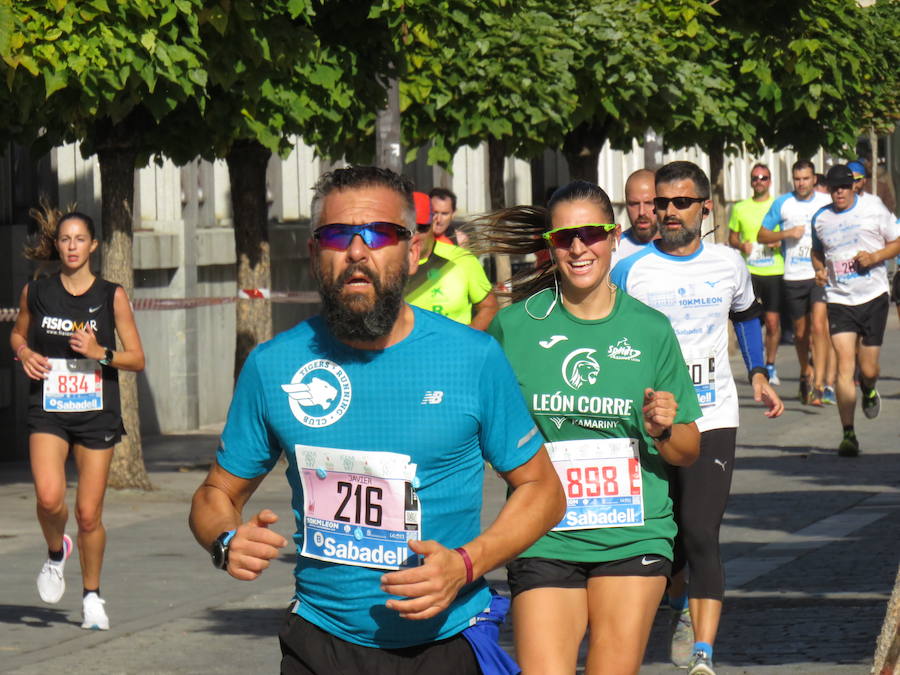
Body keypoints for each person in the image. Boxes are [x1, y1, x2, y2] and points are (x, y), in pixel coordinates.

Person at [188, 166, 565, 675]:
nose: (358, 251)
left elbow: (543, 490)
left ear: (413, 253)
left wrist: (467, 563)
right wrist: (225, 541)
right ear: (314, 252)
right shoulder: (273, 365)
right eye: (338, 235)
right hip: (322, 640)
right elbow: (216, 495)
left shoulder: (472, 358)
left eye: (380, 235)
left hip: (446, 639)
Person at [468, 180, 701, 675]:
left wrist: (662, 428)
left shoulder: (650, 328)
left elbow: (687, 449)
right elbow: (474, 415)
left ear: (614, 236)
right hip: (544, 531)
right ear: (550, 244)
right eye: (564, 237)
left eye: (591, 234)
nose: (578, 247)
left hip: (633, 534)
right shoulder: (515, 326)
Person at [611, 161, 784, 675]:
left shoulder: (728, 264)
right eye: (660, 202)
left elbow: (746, 313)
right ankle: (674, 596)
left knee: (700, 528)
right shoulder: (631, 269)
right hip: (652, 421)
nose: (667, 211)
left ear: (704, 207)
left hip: (712, 413)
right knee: (666, 537)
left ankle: (703, 652)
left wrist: (757, 372)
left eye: (679, 202)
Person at [10, 205, 145, 631]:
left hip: (95, 412)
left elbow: (137, 359)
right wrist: (24, 351)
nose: (71, 246)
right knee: (50, 498)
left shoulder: (111, 295)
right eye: (65, 239)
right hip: (49, 407)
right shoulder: (37, 291)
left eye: (79, 239)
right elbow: (18, 331)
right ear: (58, 245)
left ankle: (91, 596)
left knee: (88, 513)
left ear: (93, 245)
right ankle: (55, 554)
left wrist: (99, 353)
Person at [811, 164, 900, 457]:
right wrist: (819, 269)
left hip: (873, 296)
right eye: (834, 188)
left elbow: (896, 242)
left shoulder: (873, 208)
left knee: (868, 368)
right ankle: (848, 434)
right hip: (839, 299)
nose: (839, 193)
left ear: (853, 187)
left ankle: (870, 388)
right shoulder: (821, 219)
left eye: (844, 187)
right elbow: (817, 252)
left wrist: (875, 256)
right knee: (845, 365)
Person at [757, 160, 832, 405]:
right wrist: (787, 233)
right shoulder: (783, 203)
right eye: (797, 179)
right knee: (801, 334)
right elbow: (762, 234)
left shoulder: (825, 202)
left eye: (806, 179)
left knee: (820, 327)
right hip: (793, 276)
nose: (801, 183)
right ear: (793, 180)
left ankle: (820, 383)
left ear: (813, 179)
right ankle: (805, 370)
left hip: (818, 274)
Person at [405, 191, 499, 329]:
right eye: (408, 230)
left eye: (422, 228)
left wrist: (464, 342)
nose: (415, 236)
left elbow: (490, 308)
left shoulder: (462, 259)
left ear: (432, 224)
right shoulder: (385, 263)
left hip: (451, 349)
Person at [727, 163, 782, 384]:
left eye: (764, 177)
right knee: (750, 320)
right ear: (751, 182)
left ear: (770, 181)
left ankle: (770, 364)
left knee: (772, 322)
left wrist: (780, 241)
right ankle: (755, 363)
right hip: (751, 271)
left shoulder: (777, 205)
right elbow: (732, 237)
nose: (759, 181)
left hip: (774, 269)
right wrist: (742, 246)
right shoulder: (740, 207)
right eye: (755, 178)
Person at [618, 168, 659, 259]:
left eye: (649, 203)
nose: (641, 212)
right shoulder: (613, 251)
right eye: (634, 204)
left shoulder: (680, 248)